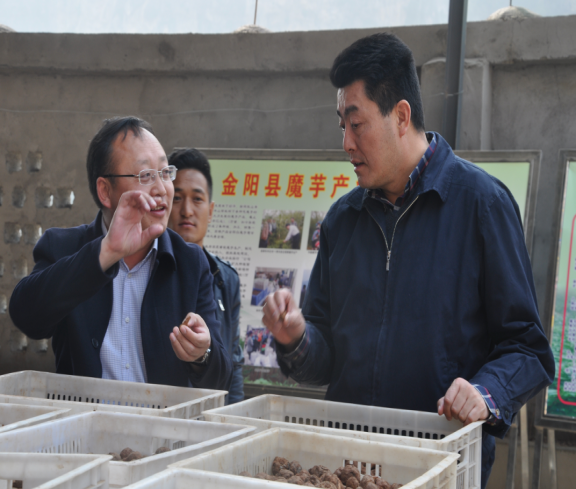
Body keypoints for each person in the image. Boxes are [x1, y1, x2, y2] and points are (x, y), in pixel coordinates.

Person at [261, 33, 554, 488]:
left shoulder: (482, 206)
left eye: (356, 124)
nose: (345, 143)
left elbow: (527, 348)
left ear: (400, 116)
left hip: (441, 465)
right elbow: (325, 360)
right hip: (348, 468)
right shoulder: (343, 220)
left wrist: (485, 392)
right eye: (341, 124)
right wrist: (296, 337)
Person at [9, 117, 231, 390]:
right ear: (105, 191)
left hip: (161, 429)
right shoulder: (63, 247)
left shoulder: (190, 262)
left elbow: (221, 376)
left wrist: (201, 354)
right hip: (83, 428)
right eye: (146, 175)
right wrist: (105, 253)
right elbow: (26, 317)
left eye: (164, 172)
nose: (162, 189)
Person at [167, 147, 244, 403]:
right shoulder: (148, 269)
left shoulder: (226, 278)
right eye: (177, 198)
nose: (187, 210)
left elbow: (233, 360)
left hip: (211, 415)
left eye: (197, 199)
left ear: (210, 211)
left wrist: (234, 422)